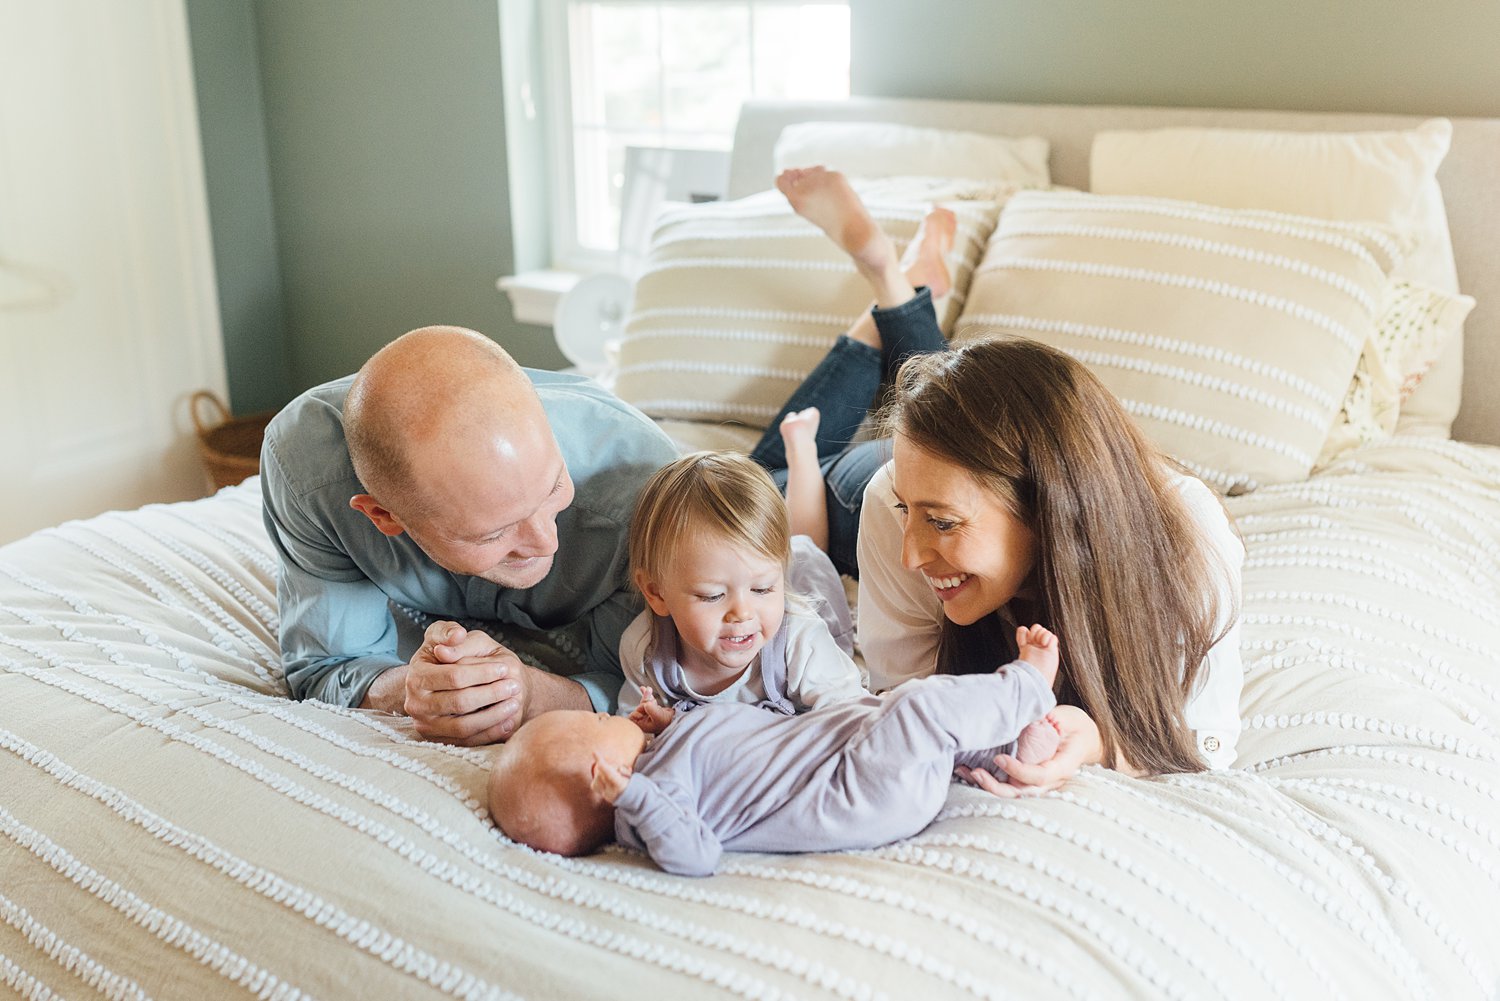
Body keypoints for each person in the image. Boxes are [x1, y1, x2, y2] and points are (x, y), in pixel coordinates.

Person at [748, 167, 1245, 786]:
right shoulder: (888, 506)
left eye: (943, 523)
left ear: (1049, 507)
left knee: (935, 395)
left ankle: (902, 287)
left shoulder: (1184, 537)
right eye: (913, 517)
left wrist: (1096, 740)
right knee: (751, 482)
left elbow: (1209, 738)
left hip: (930, 463)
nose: (910, 556)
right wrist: (919, 512)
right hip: (854, 487)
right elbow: (906, 699)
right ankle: (890, 280)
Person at [260, 325, 678, 745]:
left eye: (554, 488)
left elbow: (656, 690)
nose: (546, 542)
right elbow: (326, 667)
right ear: (383, 517)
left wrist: (528, 694)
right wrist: (412, 690)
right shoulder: (309, 475)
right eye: (493, 534)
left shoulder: (651, 499)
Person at [489, 624, 1064, 876]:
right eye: (593, 721)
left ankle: (1004, 749)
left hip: (839, 749)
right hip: (852, 791)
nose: (602, 713)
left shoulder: (663, 754)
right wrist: (638, 795)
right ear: (605, 776)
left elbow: (729, 739)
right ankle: (1027, 687)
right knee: (919, 710)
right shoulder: (653, 805)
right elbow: (695, 856)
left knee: (887, 704)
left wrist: (668, 721)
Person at [617, 450, 868, 723]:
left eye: (761, 590)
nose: (742, 613)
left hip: (815, 589)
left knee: (805, 550)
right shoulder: (646, 651)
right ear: (656, 593)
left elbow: (850, 718)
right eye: (712, 596)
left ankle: (801, 452)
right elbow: (630, 732)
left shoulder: (800, 641)